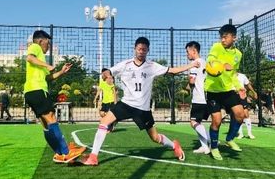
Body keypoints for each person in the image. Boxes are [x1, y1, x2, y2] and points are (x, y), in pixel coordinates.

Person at [81, 36, 199, 166]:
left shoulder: (152, 66)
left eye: (144, 49)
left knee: (155, 138)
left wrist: (191, 65)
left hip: (142, 109)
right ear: (134, 49)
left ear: (148, 50)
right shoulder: (125, 64)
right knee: (104, 122)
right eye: (139, 49)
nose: (141, 52)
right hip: (126, 104)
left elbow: (172, 71)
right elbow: (108, 71)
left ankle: (174, 145)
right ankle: (93, 157)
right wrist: (107, 74)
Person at [24, 30, 85, 163]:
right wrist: (48, 65)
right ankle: (66, 152)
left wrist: (61, 72)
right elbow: (29, 58)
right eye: (48, 42)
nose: (49, 45)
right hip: (37, 90)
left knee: (46, 125)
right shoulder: (35, 47)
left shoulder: (40, 59)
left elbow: (48, 78)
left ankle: (59, 153)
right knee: (51, 118)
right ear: (41, 41)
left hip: (31, 91)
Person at [205, 24, 244, 161]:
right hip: (213, 90)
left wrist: (239, 87)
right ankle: (214, 147)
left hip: (228, 90)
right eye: (221, 37)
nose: (222, 40)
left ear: (234, 37)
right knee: (217, 121)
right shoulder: (216, 47)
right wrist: (222, 65)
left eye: (225, 37)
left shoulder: (238, 54)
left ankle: (229, 139)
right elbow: (210, 61)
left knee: (240, 115)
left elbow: (233, 73)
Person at [185, 41, 210, 154]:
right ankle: (204, 147)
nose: (187, 54)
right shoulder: (204, 62)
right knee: (198, 122)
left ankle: (212, 139)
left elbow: (192, 81)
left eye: (188, 52)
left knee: (193, 122)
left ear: (194, 51)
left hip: (199, 98)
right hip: (206, 98)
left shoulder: (194, 64)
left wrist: (187, 86)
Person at [236, 72, 258, 139]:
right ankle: (240, 134)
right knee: (238, 115)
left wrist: (254, 92)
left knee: (246, 114)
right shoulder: (228, 76)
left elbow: (248, 84)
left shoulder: (242, 76)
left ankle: (249, 133)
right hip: (234, 97)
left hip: (242, 97)